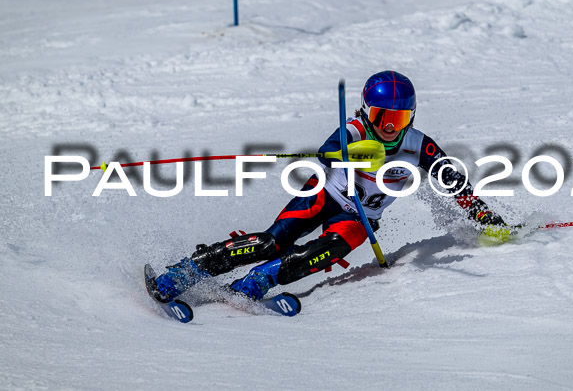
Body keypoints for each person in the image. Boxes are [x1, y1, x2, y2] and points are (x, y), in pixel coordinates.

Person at [152, 71, 510, 303]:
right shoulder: (354, 129)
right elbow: (327, 150)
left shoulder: (418, 144)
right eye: (381, 117)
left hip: (360, 215)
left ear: (411, 117)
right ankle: (187, 270)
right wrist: (354, 154)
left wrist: (483, 216)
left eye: (398, 119)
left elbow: (451, 179)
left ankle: (258, 282)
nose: (389, 127)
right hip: (325, 193)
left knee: (329, 249)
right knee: (272, 242)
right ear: (367, 112)